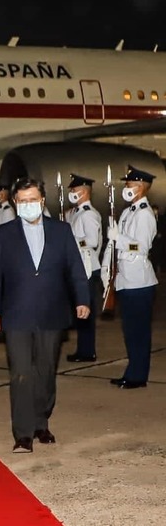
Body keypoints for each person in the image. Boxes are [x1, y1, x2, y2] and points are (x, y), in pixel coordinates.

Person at [0, 177, 89, 453]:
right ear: (15, 203)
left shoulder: (61, 230)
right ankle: (23, 433)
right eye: (22, 201)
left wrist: (83, 299)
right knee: (21, 373)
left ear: (42, 201)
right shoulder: (4, 233)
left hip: (52, 312)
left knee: (45, 371)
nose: (28, 205)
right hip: (16, 314)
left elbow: (75, 268)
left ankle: (41, 422)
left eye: (33, 200)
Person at [103, 165, 158, 389]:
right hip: (126, 279)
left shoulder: (145, 214)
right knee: (130, 331)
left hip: (139, 281)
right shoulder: (127, 211)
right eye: (126, 185)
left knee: (139, 331)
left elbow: (141, 247)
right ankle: (133, 371)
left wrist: (120, 238)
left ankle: (138, 376)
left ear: (141, 187)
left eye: (130, 185)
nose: (126, 188)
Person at [65, 174, 103, 363]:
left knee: (85, 311)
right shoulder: (77, 212)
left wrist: (73, 241)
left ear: (84, 192)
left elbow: (93, 241)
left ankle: (87, 351)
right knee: (80, 311)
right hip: (79, 266)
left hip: (87, 266)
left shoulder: (88, 213)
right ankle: (83, 349)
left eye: (74, 191)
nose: (71, 194)